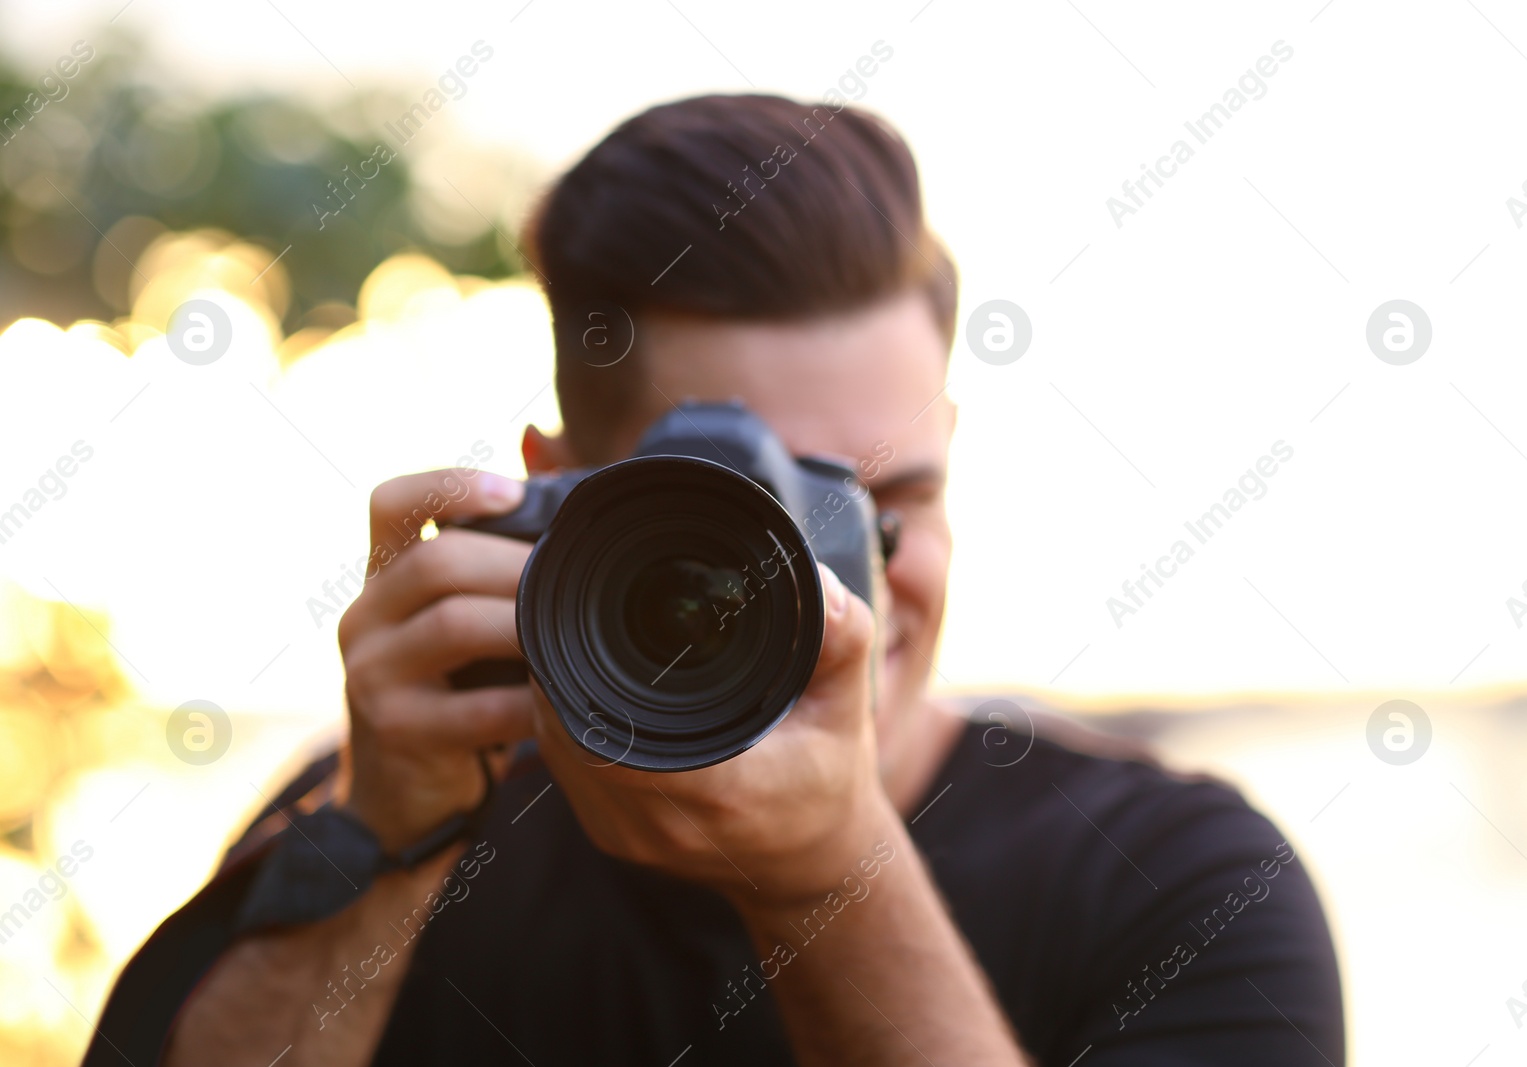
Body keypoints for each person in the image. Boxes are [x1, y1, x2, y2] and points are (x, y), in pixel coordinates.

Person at [87, 93, 1343, 1066]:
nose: (837, 590)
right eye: (746, 520)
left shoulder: (1182, 886)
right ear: (558, 497)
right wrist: (383, 840)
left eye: (881, 507)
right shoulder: (393, 823)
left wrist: (828, 870)